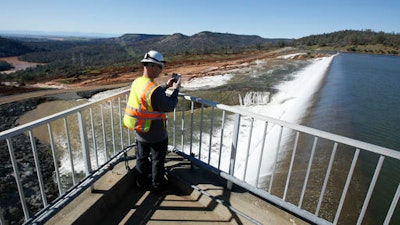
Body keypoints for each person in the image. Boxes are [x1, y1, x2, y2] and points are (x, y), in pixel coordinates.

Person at [123, 50, 181, 191]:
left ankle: (141, 183)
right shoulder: (154, 89)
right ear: (153, 66)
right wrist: (176, 90)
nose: (161, 70)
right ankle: (157, 186)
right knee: (157, 160)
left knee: (141, 158)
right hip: (155, 132)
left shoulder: (138, 82)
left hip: (140, 129)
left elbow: (148, 96)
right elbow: (169, 105)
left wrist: (166, 86)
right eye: (160, 67)